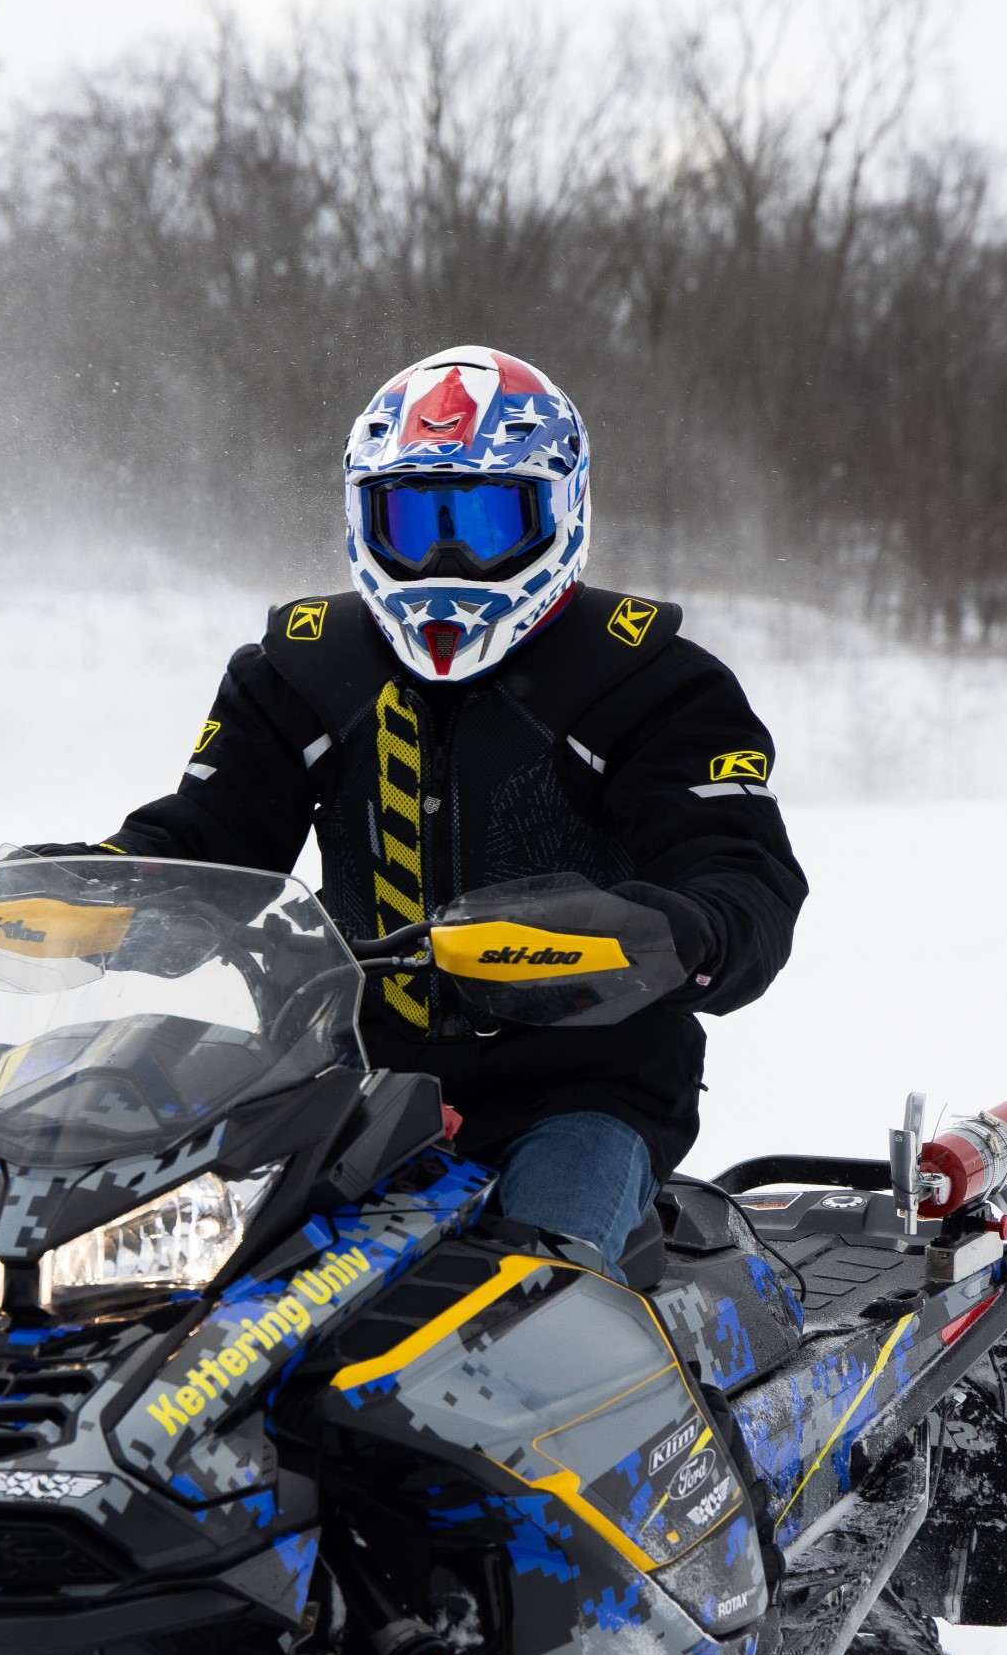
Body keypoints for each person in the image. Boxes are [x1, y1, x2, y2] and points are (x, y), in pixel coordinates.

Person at [85, 344, 805, 1270]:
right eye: (415, 518)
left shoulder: (653, 681)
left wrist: (671, 932)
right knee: (180, 1294)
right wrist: (96, 885)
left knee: (531, 1307)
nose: (446, 556)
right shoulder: (297, 672)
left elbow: (745, 876)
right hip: (344, 1088)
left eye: (488, 518)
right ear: (361, 518)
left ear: (563, 509)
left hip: (579, 1094)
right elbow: (205, 844)